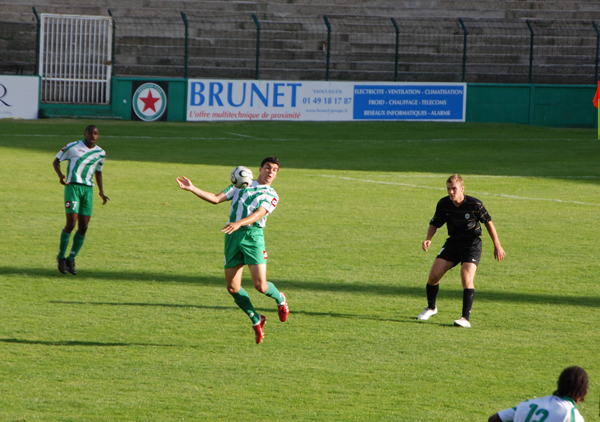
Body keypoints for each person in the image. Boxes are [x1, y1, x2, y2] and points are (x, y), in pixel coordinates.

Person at [176, 156, 289, 344]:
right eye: (268, 167)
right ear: (259, 169)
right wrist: (192, 188)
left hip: (253, 237)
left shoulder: (271, 194)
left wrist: (239, 223)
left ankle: (281, 299)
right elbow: (215, 198)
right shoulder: (239, 185)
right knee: (232, 287)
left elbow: (259, 213)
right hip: (232, 236)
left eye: (275, 170)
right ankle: (256, 319)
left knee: (260, 286)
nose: (270, 172)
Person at [418, 174, 505, 328]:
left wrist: (497, 245)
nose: (451, 192)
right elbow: (435, 223)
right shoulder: (444, 204)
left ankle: (465, 318)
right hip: (453, 244)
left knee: (466, 278)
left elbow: (488, 223)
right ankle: (431, 308)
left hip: (472, 245)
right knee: (433, 277)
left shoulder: (475, 204)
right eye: (448, 189)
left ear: (462, 189)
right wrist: (428, 238)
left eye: (454, 189)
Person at [53, 125, 109, 275]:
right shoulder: (73, 147)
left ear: (98, 136)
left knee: (83, 227)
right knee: (71, 223)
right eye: (90, 133)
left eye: (96, 133)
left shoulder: (100, 153)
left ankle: (71, 259)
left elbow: (98, 172)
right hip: (73, 188)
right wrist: (60, 176)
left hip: (88, 191)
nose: (93, 135)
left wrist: (101, 191)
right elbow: (56, 161)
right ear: (85, 134)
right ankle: (60, 257)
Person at [489, 366, 588, 422]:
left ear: (559, 384)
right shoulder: (572, 416)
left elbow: (494, 419)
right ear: (584, 393)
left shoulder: (529, 404)